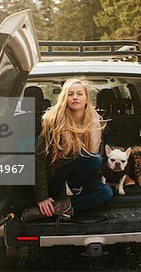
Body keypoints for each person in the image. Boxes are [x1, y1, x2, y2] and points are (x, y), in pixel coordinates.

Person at [22, 78, 113, 222]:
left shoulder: (95, 123)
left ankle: (57, 208)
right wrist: (42, 197)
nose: (75, 97)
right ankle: (62, 197)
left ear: (87, 99)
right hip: (57, 178)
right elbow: (39, 159)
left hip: (79, 180)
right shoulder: (53, 122)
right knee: (94, 160)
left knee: (106, 192)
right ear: (65, 98)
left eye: (79, 94)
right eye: (70, 94)